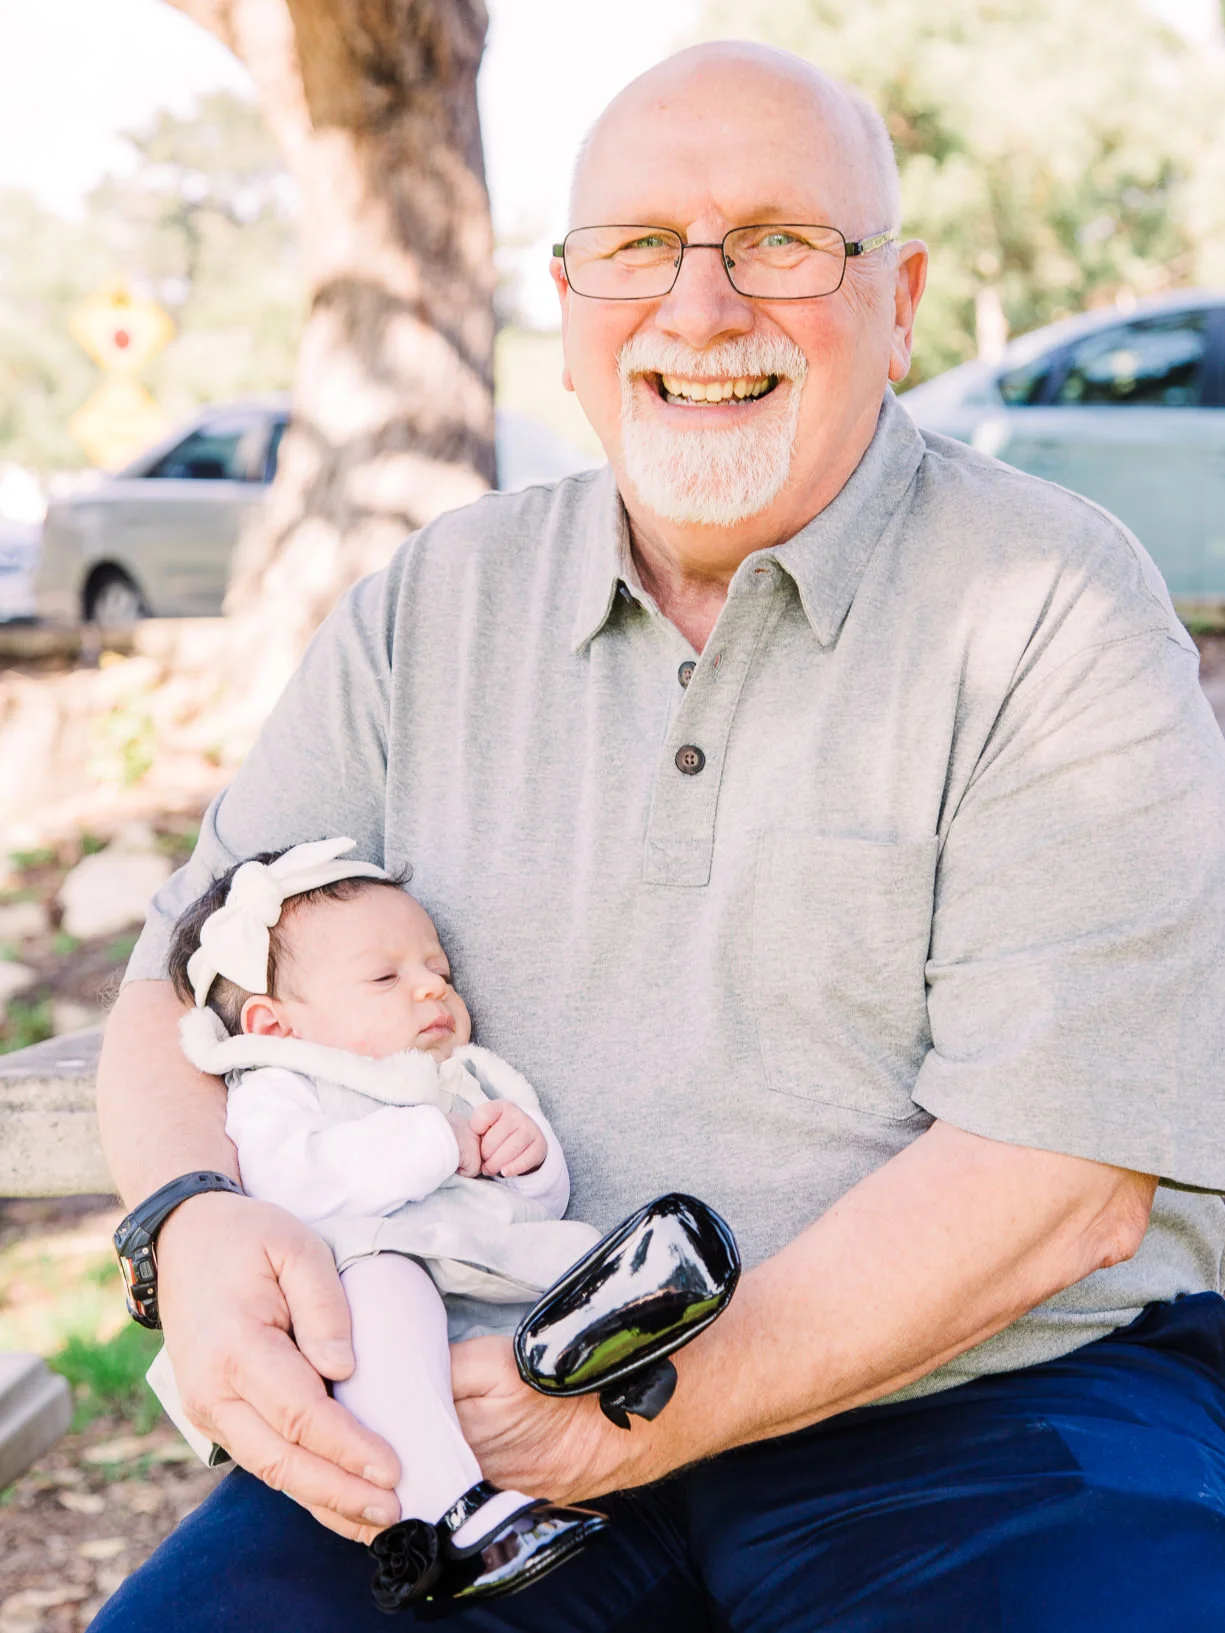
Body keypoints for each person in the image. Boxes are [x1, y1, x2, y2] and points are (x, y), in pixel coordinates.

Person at [91, 39, 1225, 1633]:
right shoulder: (435, 603)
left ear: (896, 304)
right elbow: (170, 987)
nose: (699, 308)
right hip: (475, 1391)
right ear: (565, 312)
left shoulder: (1049, 599)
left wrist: (642, 1416)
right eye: (634, 250)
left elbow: (1063, 1176)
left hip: (984, 1409)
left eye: (777, 241)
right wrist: (187, 1227)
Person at [159, 837, 607, 1608]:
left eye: (439, 971)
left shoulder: (464, 1076)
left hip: (479, 1275)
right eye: (386, 976)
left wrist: (528, 1160)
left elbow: (526, 1211)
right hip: (360, 1291)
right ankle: (448, 1511)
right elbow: (289, 1182)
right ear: (273, 1023)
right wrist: (435, 1141)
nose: (431, 991)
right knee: (381, 1286)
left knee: (584, 1252)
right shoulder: (281, 1082)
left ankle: (629, 1349)